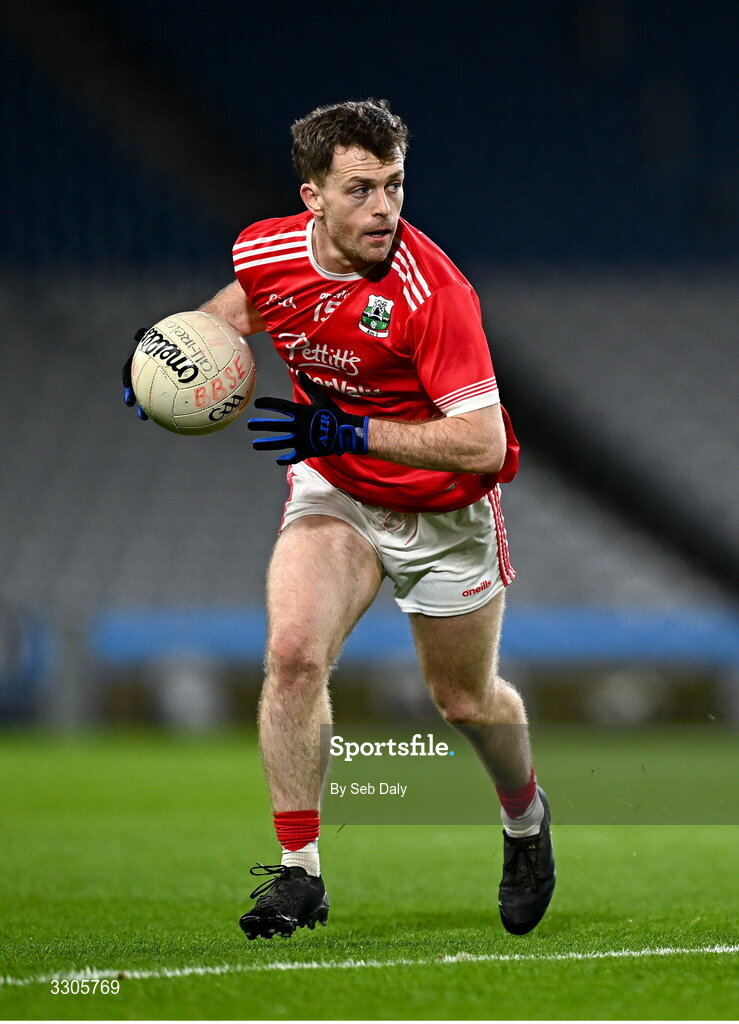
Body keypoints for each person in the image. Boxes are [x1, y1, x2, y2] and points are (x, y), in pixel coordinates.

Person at [123, 98, 555, 939]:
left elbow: (481, 443)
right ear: (312, 196)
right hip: (336, 490)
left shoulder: (434, 293)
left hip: (441, 510)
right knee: (292, 656)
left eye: (394, 185)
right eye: (360, 189)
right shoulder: (267, 248)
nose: (383, 208)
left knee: (463, 701)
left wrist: (348, 428)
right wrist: (165, 365)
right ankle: (300, 874)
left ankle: (524, 820)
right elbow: (234, 314)